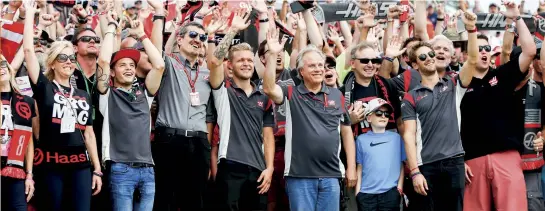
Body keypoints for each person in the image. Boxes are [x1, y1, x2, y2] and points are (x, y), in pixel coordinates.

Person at [262, 31, 357, 211]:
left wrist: (351, 168)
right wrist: (273, 55)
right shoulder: (291, 92)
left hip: (331, 175)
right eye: (312, 66)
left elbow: (346, 132)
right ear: (301, 71)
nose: (319, 69)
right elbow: (268, 88)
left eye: (321, 65)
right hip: (300, 175)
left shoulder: (337, 95)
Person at [23, 2, 102, 210]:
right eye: (63, 58)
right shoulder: (44, 87)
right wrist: (30, 15)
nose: (68, 62)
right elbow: (29, 50)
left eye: (71, 58)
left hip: (80, 166)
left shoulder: (83, 95)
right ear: (52, 63)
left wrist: (97, 169)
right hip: (51, 164)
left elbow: (90, 135)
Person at [460, 2, 537, 210]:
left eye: (487, 48)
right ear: (465, 55)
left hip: (506, 157)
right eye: (479, 48)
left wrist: (516, 17)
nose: (484, 52)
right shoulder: (459, 85)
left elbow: (529, 51)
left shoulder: (501, 76)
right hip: (472, 162)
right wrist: (460, 160)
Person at [401, 10, 478, 211]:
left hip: (454, 162)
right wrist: (415, 172)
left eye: (431, 54)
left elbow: (472, 60)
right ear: (415, 64)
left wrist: (471, 29)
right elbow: (408, 136)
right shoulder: (411, 96)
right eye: (423, 56)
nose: (429, 58)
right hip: (427, 166)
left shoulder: (453, 84)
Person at [97, 12, 165, 211]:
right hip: (120, 168)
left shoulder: (145, 93)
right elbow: (102, 61)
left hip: (148, 169)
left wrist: (142, 34)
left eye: (132, 65)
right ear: (112, 71)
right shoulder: (107, 94)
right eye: (122, 65)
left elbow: (159, 65)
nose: (128, 69)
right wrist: (111, 26)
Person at [152, 21, 212, 210]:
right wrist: (160, 15)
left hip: (199, 142)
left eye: (202, 37)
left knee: (194, 202)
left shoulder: (207, 72)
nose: (198, 40)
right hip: (169, 140)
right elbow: (155, 50)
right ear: (179, 39)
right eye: (192, 35)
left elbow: (217, 59)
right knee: (165, 200)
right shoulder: (168, 63)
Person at [355, 98, 405, 211]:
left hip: (390, 193)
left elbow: (401, 164)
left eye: (386, 114)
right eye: (378, 113)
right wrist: (358, 192)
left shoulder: (396, 138)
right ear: (369, 118)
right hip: (366, 194)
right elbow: (360, 166)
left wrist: (399, 188)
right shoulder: (361, 140)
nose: (383, 116)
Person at [0, 56, 36, 211]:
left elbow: (29, 142)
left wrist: (29, 175)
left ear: (9, 68)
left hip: (16, 169)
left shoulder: (26, 102)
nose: (0, 68)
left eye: (2, 64)